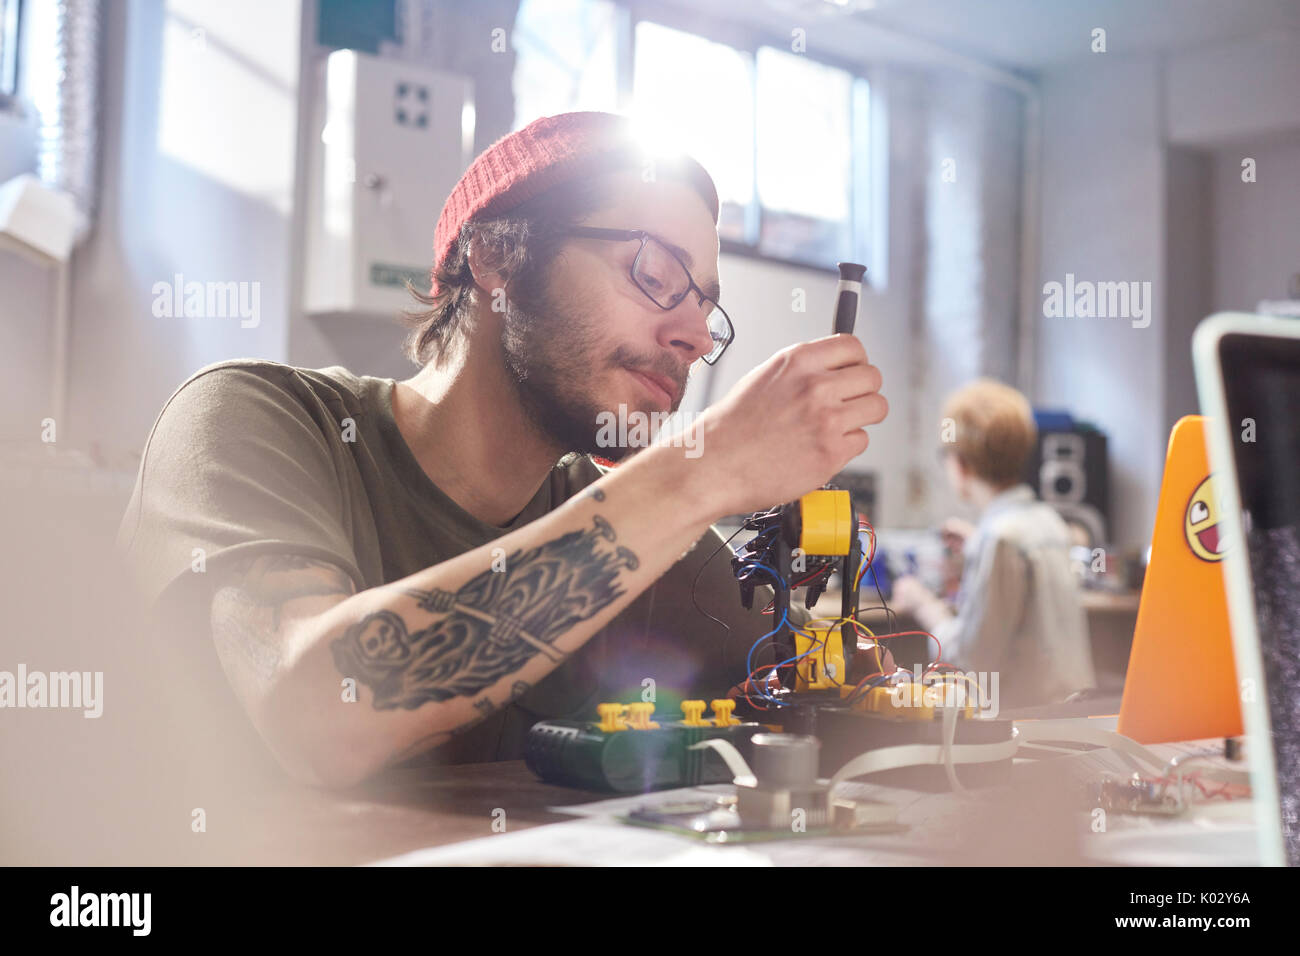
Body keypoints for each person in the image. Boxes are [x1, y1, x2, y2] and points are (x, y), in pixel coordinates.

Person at [116, 112, 889, 788]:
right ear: (494, 258)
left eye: (706, 309)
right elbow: (319, 711)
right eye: (654, 274)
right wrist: (707, 466)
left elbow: (813, 691)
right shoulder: (255, 420)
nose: (690, 334)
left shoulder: (654, 534)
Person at [889, 379, 1095, 709]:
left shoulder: (998, 539)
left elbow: (970, 661)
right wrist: (977, 543)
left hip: (1023, 724)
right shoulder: (1046, 522)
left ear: (961, 464)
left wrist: (923, 604)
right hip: (1067, 713)